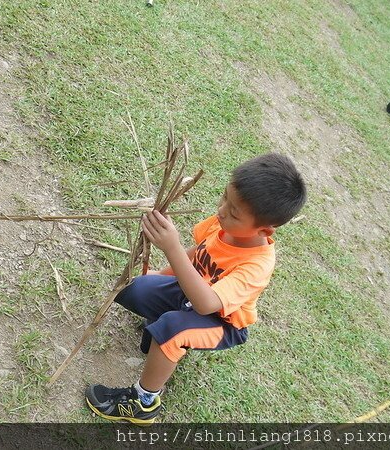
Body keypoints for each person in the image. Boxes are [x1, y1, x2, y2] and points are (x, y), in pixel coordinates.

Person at [85, 153, 307, 424]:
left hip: (219, 321)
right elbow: (196, 255)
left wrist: (171, 247)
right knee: (135, 289)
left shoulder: (257, 265)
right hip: (191, 293)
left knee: (171, 331)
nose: (222, 210)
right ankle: (160, 328)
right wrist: (159, 275)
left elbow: (207, 304)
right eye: (225, 197)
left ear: (264, 230)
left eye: (234, 212)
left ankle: (143, 402)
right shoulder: (224, 225)